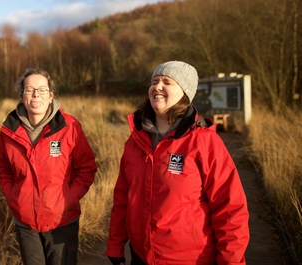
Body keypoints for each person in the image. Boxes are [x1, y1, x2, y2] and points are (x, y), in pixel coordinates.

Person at [105, 61, 249, 265]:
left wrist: (231, 261)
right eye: (154, 81)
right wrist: (115, 244)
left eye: (167, 82)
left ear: (185, 92)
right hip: (140, 255)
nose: (158, 87)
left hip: (190, 258)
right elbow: (122, 198)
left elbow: (230, 207)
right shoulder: (135, 141)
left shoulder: (204, 141)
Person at [0, 68, 97, 265]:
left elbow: (86, 168)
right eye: (30, 89)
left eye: (42, 89)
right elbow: (3, 167)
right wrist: (13, 196)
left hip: (62, 221)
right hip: (25, 223)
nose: (35, 94)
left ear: (50, 96)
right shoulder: (9, 130)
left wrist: (69, 198)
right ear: (21, 95)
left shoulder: (70, 126)